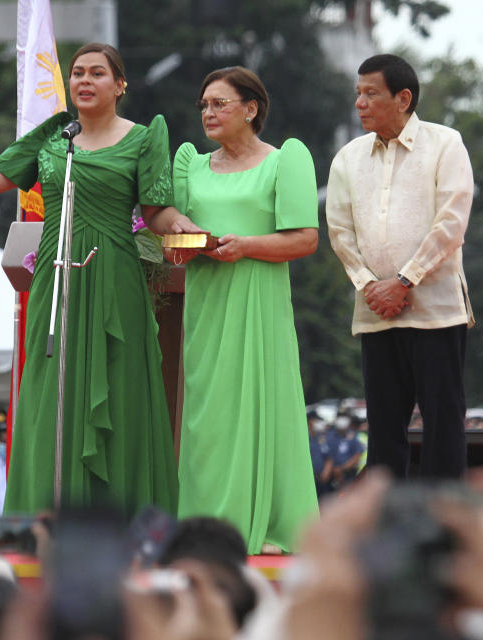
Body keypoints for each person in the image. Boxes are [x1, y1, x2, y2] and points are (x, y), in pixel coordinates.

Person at [0, 43, 199, 516]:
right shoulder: (55, 135)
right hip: (55, 277)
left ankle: (123, 517)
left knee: (122, 390)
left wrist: (184, 227)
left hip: (116, 277)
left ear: (120, 84)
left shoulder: (144, 137)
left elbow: (155, 212)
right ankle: (48, 514)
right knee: (52, 390)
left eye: (97, 73)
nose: (84, 81)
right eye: (77, 74)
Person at [165, 66, 319, 554]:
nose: (208, 112)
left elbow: (305, 239)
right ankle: (203, 524)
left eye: (220, 104)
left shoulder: (284, 161)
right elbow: (171, 236)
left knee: (262, 402)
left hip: (257, 298)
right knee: (207, 413)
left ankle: (273, 527)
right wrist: (186, 238)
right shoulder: (190, 165)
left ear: (250, 109)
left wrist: (247, 244)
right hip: (206, 299)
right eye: (204, 105)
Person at [326, 53, 475, 479]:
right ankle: (384, 530)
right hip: (376, 313)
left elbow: (451, 223)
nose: (360, 103)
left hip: (436, 312)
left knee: (443, 422)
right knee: (385, 428)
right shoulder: (348, 158)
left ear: (403, 97)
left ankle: (444, 530)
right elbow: (340, 231)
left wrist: (405, 280)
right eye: (358, 93)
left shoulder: (446, 143)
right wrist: (370, 285)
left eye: (371, 93)